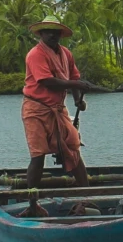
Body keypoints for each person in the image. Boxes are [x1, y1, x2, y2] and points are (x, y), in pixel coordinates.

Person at [21, 18, 90, 184]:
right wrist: (76, 84)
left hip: (58, 109)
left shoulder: (66, 54)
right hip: (36, 110)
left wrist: (76, 99)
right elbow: (46, 81)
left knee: (73, 146)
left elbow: (74, 76)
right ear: (41, 33)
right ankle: (33, 199)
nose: (52, 35)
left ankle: (87, 194)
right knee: (38, 154)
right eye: (48, 31)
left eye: (56, 32)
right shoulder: (35, 54)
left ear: (60, 35)